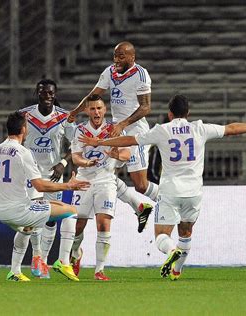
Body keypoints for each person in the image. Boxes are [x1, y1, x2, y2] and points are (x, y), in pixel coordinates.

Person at [79, 94, 246, 281]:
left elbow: (131, 139)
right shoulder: (199, 128)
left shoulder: (162, 130)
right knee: (186, 233)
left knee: (161, 235)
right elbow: (232, 129)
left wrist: (100, 142)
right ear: (188, 113)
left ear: (169, 113)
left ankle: (170, 252)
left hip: (169, 191)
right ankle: (177, 270)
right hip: (194, 192)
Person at [0, 111, 90, 282]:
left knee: (30, 225)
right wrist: (68, 185)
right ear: (23, 129)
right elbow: (40, 185)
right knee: (71, 211)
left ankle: (15, 271)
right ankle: (64, 261)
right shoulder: (23, 152)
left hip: (0, 211)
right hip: (20, 210)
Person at [68, 41, 157, 232]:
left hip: (136, 134)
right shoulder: (110, 72)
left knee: (140, 185)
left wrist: (123, 124)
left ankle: (166, 200)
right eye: (115, 56)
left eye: (121, 56)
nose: (116, 60)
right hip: (117, 131)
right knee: (103, 172)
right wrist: (75, 111)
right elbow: (94, 94)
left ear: (132, 57)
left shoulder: (141, 75)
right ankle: (140, 207)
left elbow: (146, 107)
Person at [17, 79, 75, 279]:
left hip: (53, 174)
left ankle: (44, 260)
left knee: (51, 220)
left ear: (55, 94)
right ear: (37, 93)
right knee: (35, 216)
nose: (47, 96)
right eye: (43, 93)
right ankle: (37, 257)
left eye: (51, 93)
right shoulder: (24, 115)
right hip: (31, 174)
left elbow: (75, 145)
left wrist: (63, 164)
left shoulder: (65, 117)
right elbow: (16, 141)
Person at [70, 95, 131, 281]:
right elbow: (75, 157)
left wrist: (117, 154)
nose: (96, 112)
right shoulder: (80, 130)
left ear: (105, 110)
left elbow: (127, 153)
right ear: (87, 111)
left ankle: (99, 270)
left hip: (106, 180)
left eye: (99, 108)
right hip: (84, 180)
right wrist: (86, 162)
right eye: (93, 109)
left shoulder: (115, 129)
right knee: (78, 225)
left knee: (103, 224)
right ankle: (75, 253)